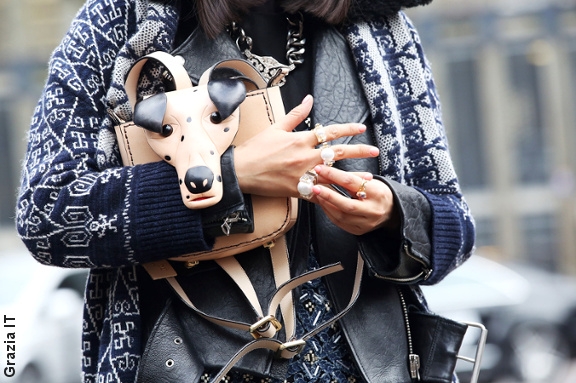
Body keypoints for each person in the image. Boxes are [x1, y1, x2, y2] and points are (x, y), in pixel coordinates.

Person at [15, 0, 475, 382]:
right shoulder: (119, 22)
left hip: (377, 366)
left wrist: (393, 215)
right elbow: (48, 212)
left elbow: (454, 223)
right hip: (193, 364)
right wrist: (232, 177)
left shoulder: (383, 30)